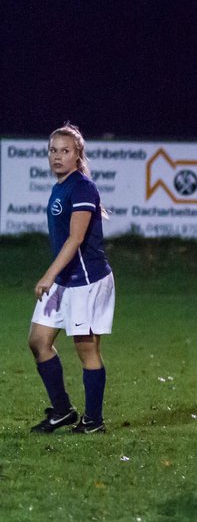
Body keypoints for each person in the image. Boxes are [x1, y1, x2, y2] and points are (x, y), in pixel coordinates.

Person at [28, 124, 114, 435]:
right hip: (64, 280)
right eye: (53, 150)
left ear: (78, 155)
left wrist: (49, 274)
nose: (57, 156)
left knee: (86, 349)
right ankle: (62, 411)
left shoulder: (82, 188)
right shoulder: (60, 187)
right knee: (38, 342)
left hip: (87, 281)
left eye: (65, 151)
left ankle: (93, 421)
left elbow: (76, 239)